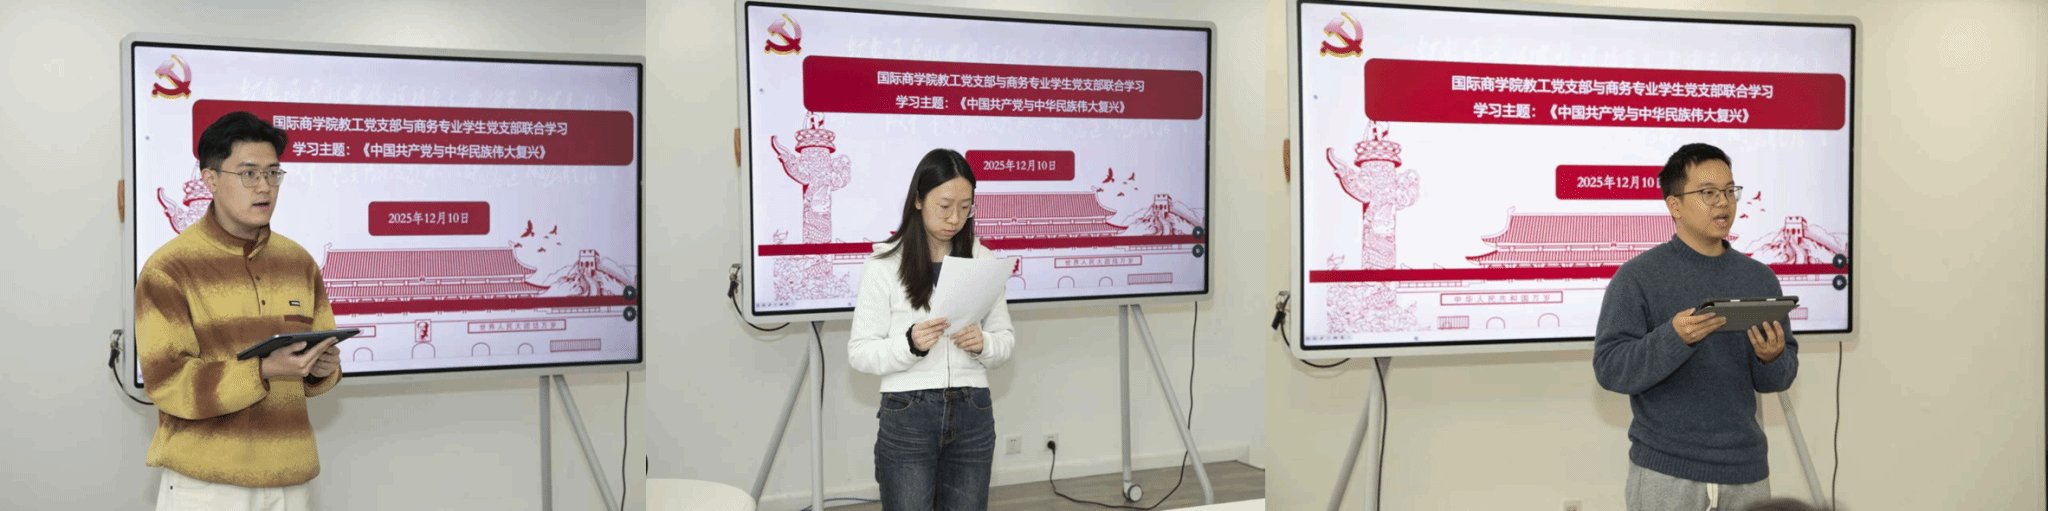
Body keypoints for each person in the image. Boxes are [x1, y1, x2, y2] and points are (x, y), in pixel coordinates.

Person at [137, 111, 343, 511]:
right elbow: (167, 382)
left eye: (273, 173)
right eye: (249, 174)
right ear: (210, 179)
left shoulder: (298, 261)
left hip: (291, 479)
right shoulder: (169, 269)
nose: (264, 187)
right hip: (207, 484)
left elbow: (317, 372)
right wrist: (262, 370)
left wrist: (321, 368)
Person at [1593, 143, 1798, 511]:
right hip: (1665, 471)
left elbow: (1777, 379)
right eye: (1708, 193)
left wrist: (1772, 357)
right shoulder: (1637, 277)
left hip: (1746, 470)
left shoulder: (1759, 279)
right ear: (1675, 205)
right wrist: (1673, 338)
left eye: (1729, 191)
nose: (1723, 203)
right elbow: (1610, 368)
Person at [846, 148, 1017, 510]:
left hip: (973, 410)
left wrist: (983, 344)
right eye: (944, 206)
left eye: (965, 207)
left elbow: (1005, 341)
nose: (955, 218)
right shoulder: (883, 264)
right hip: (908, 411)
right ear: (919, 200)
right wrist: (909, 345)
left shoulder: (982, 259)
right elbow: (860, 352)